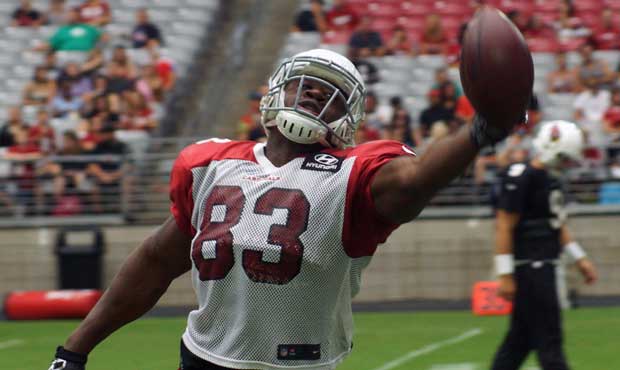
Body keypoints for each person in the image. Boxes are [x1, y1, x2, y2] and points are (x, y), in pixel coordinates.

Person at [48, 49, 524, 370]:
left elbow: (417, 181)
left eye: (333, 92)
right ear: (275, 92)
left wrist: (481, 129)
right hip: (204, 359)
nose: (317, 93)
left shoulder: (354, 174)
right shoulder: (210, 163)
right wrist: (75, 349)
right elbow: (155, 261)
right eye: (307, 83)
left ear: (349, 116)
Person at [490, 120, 598, 370]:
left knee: (519, 342)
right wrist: (505, 273)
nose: (568, 164)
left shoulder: (549, 180)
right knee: (550, 342)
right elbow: (504, 224)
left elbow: (556, 225)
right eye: (566, 158)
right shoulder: (522, 177)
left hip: (543, 266)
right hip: (532, 268)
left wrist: (580, 258)